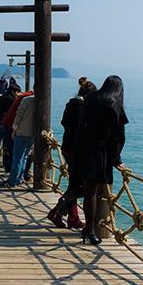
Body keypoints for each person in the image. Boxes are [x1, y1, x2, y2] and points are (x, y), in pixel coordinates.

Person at [73, 75, 128, 246]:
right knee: (94, 191)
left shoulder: (90, 99)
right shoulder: (114, 104)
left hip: (83, 149)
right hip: (100, 153)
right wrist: (117, 158)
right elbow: (118, 136)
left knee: (89, 191)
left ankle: (88, 228)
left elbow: (81, 125)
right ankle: (90, 230)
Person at [47, 78, 97, 229]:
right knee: (83, 185)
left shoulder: (71, 104)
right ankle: (57, 211)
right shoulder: (83, 108)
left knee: (74, 183)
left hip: (67, 147)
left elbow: (63, 122)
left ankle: (72, 218)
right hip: (78, 150)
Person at [3, 94, 35, 188]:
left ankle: (12, 180)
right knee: (25, 157)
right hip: (33, 134)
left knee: (17, 158)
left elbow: (18, 116)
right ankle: (20, 178)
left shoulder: (26, 100)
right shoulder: (42, 101)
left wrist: (14, 130)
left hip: (21, 132)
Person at [0, 83, 18, 168]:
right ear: (13, 91)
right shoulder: (10, 99)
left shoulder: (4, 96)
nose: (17, 94)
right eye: (17, 92)